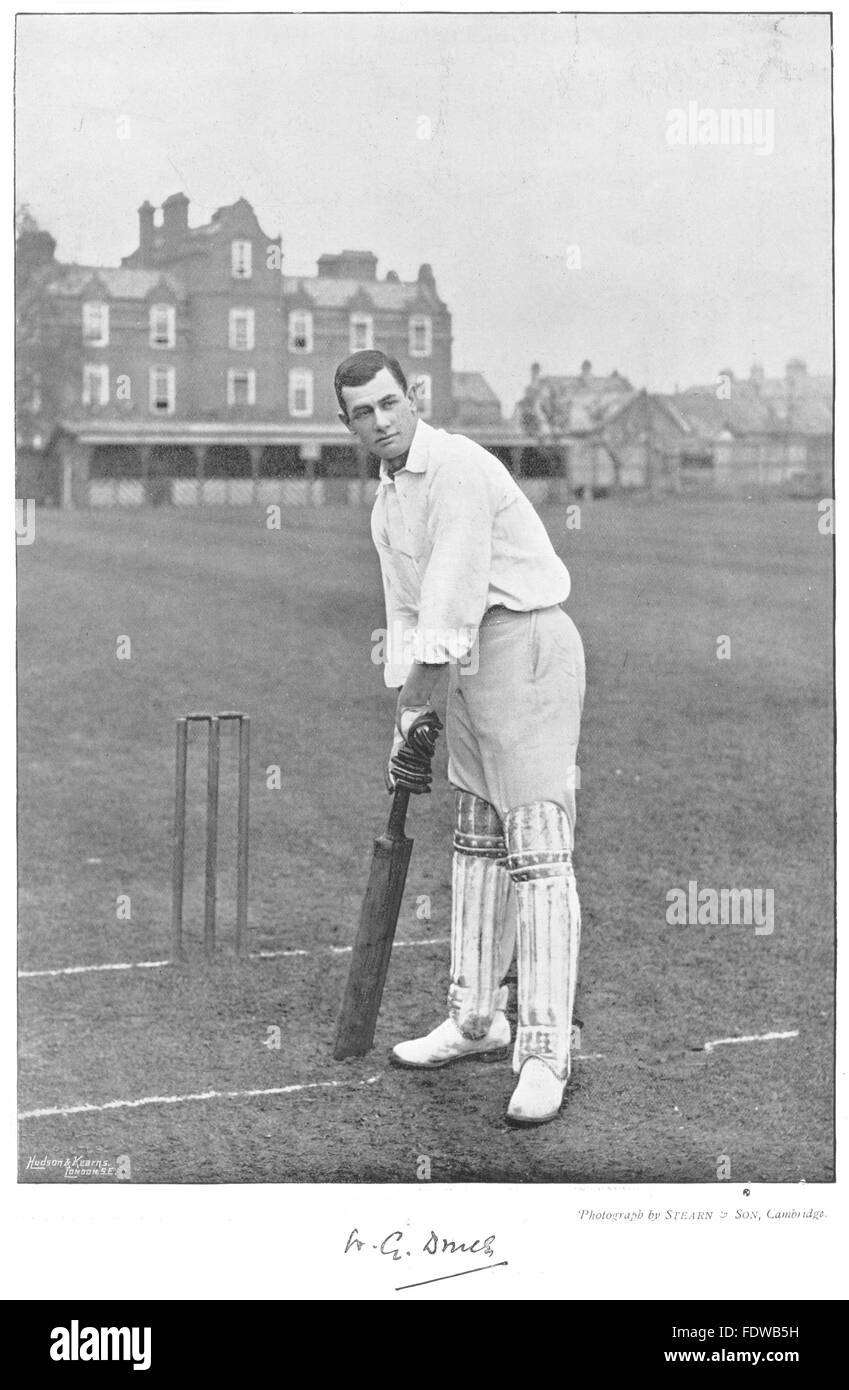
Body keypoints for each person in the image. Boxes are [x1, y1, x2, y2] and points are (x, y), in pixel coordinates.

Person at [335, 349, 585, 1126]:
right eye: (361, 413)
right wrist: (409, 718)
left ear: (413, 397)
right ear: (347, 424)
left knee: (536, 848)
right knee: (476, 839)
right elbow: (408, 616)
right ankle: (477, 1020)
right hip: (469, 659)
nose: (379, 422)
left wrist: (419, 696)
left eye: (387, 404)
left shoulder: (458, 470)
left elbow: (448, 603)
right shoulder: (386, 504)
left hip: (527, 644)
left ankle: (545, 1050)